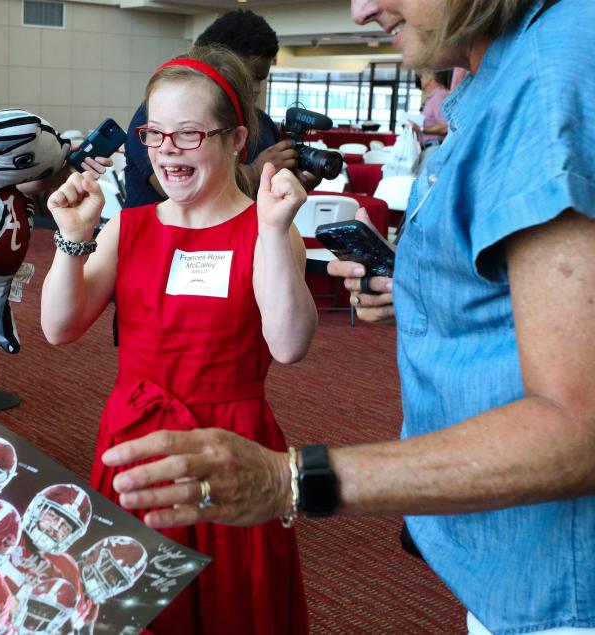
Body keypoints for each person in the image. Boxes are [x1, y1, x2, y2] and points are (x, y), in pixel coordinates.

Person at [102, 1, 595, 634]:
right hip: (510, 564)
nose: (361, 7)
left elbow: (577, 424)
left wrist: (292, 481)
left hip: (559, 591)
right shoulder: (498, 74)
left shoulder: (549, 77)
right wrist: (420, 293)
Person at [41, 45, 316, 634]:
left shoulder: (266, 225)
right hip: (135, 441)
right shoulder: (130, 225)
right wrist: (71, 239)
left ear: (236, 139)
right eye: (155, 133)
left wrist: (272, 232)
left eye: (189, 134)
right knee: (138, 603)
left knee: (230, 604)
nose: (166, 149)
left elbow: (290, 345)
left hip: (231, 445)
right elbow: (59, 329)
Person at [122, 9, 317, 209]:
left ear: (237, 138)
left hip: (244, 236)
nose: (256, 89)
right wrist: (256, 172)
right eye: (249, 77)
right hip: (159, 237)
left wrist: (293, 185)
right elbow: (176, 188)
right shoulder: (156, 117)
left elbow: (264, 201)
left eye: (261, 78)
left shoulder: (262, 123)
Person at [410, 70, 450, 170]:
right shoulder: (432, 98)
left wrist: (421, 129)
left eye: (422, 77)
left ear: (430, 79)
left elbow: (446, 127)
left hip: (435, 148)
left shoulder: (439, 97)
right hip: (428, 149)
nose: (420, 80)